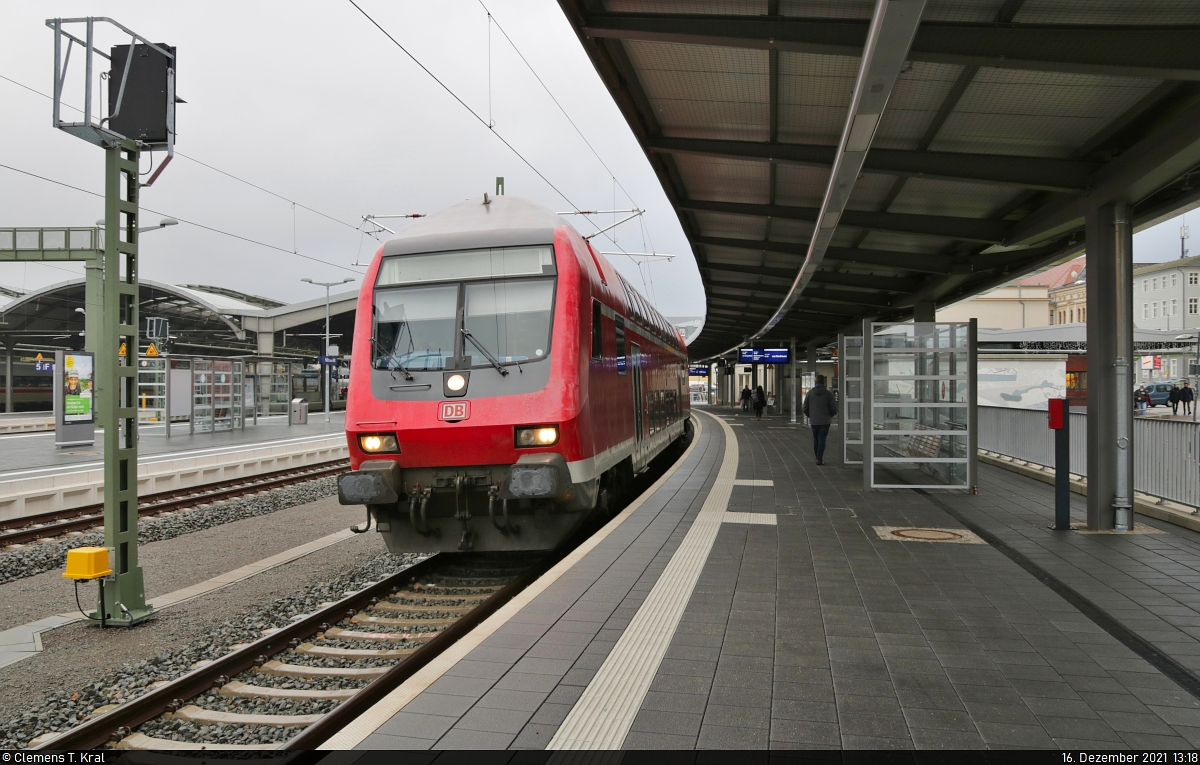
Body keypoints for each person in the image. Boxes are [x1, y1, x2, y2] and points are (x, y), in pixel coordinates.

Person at [802, 375, 838, 465]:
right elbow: (834, 409)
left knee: (816, 439)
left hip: (814, 421)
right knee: (822, 439)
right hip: (825, 421)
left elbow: (805, 408)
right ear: (824, 382)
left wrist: (811, 415)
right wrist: (829, 416)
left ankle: (817, 457)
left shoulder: (810, 393)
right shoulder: (828, 394)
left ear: (816, 382)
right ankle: (819, 458)